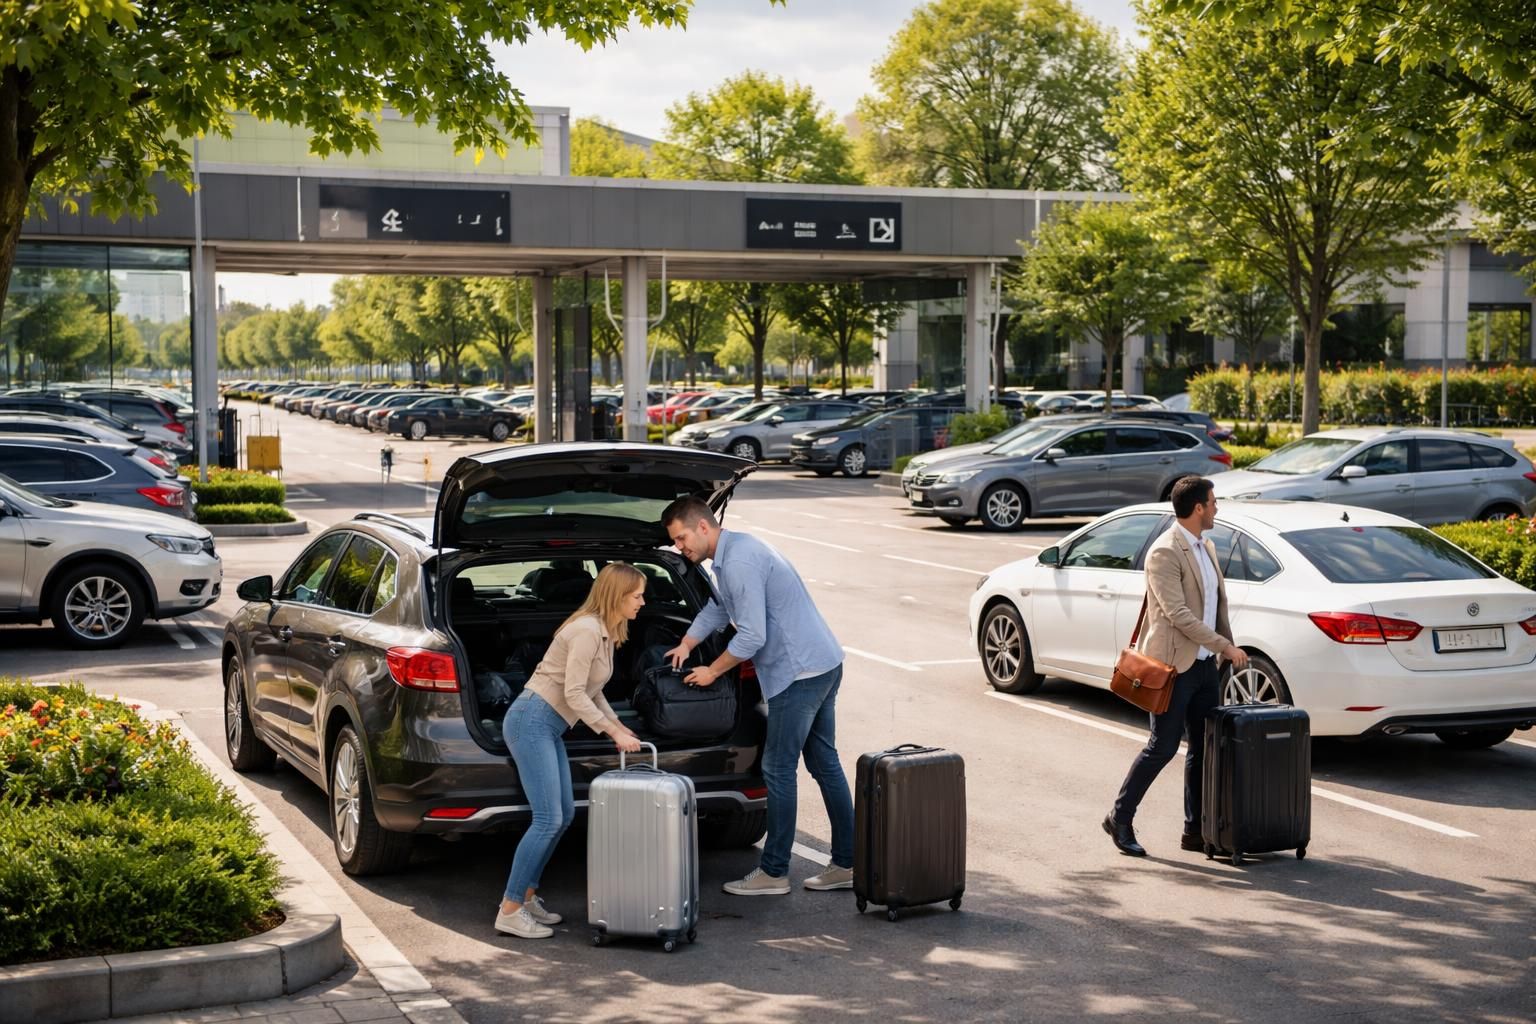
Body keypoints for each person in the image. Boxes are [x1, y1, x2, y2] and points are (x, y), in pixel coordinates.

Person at [660, 495, 854, 896]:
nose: (681, 548)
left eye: (681, 539)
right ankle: (848, 863)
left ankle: (774, 871)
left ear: (702, 526)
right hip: (822, 662)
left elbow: (751, 636)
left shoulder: (740, 562)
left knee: (778, 770)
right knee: (824, 764)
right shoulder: (736, 553)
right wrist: (687, 642)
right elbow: (720, 610)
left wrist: (712, 671)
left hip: (797, 673)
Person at [495, 562, 646, 939]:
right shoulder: (585, 631)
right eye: (637, 595)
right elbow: (575, 692)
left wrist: (619, 725)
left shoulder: (606, 633)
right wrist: (611, 732)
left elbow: (594, 691)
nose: (643, 602)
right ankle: (510, 910)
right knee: (547, 819)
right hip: (532, 720)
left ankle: (527, 897)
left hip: (548, 725)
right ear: (617, 595)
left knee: (560, 817)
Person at [1105, 474, 1250, 857]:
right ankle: (1119, 818)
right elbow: (1178, 614)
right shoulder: (1164, 552)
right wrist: (1226, 647)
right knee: (1162, 747)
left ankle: (1194, 831)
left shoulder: (1207, 547)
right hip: (1174, 666)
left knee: (1204, 750)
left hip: (1204, 667)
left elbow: (1215, 607)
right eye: (1213, 502)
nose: (1217, 507)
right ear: (1198, 507)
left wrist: (1223, 648)